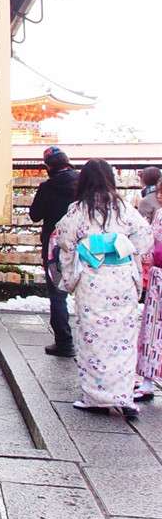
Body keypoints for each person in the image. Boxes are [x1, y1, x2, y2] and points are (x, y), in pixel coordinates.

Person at [55, 159, 153, 420]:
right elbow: (144, 238)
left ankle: (94, 396)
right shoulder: (123, 208)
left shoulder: (78, 210)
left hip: (93, 280)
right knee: (122, 340)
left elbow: (64, 241)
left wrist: (69, 277)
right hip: (121, 280)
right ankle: (123, 396)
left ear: (83, 180)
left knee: (93, 338)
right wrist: (121, 248)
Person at [29, 146, 79, 356]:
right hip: (83, 247)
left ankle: (65, 343)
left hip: (54, 248)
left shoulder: (47, 187)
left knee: (57, 295)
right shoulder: (83, 184)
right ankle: (91, 342)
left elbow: (34, 215)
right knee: (86, 293)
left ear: (49, 166)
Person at [136, 210, 162, 401]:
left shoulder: (161, 215)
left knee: (153, 331)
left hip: (159, 276)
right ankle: (146, 382)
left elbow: (149, 249)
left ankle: (147, 382)